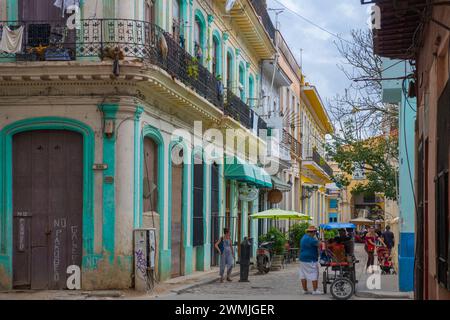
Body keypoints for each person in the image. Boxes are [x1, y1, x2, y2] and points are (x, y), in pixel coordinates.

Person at [299, 225, 322, 295]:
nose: (315, 234)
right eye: (315, 232)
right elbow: (319, 245)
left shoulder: (304, 237)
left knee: (303, 274)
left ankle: (305, 290)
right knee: (314, 273)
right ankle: (315, 290)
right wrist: (318, 239)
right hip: (310, 259)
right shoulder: (312, 239)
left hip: (302, 259)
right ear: (312, 232)